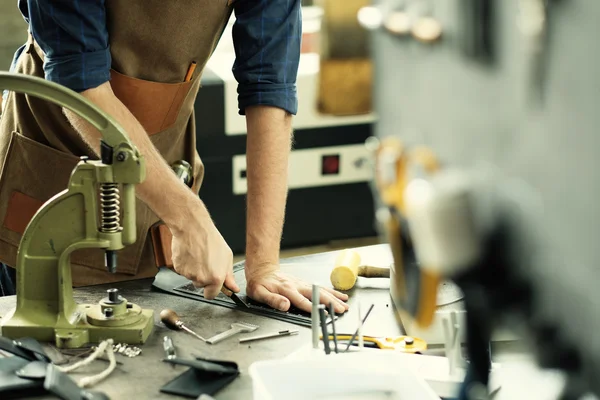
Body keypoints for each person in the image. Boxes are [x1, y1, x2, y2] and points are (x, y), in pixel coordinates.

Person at [0, 0, 349, 314]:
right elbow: (81, 84)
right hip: (51, 155)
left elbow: (270, 88)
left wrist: (264, 265)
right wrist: (189, 217)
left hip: (163, 170)